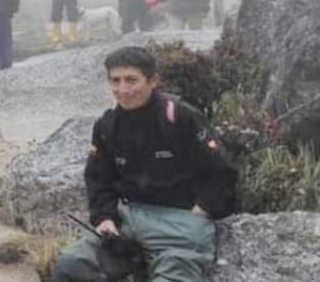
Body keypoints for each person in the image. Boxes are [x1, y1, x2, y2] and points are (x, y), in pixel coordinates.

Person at [53, 46, 236, 282]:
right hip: (127, 219)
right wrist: (105, 219)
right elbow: (98, 179)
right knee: (71, 265)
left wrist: (199, 212)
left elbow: (221, 173)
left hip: (179, 225)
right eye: (115, 81)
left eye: (131, 80)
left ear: (153, 81)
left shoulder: (181, 117)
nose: (123, 90)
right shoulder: (107, 127)